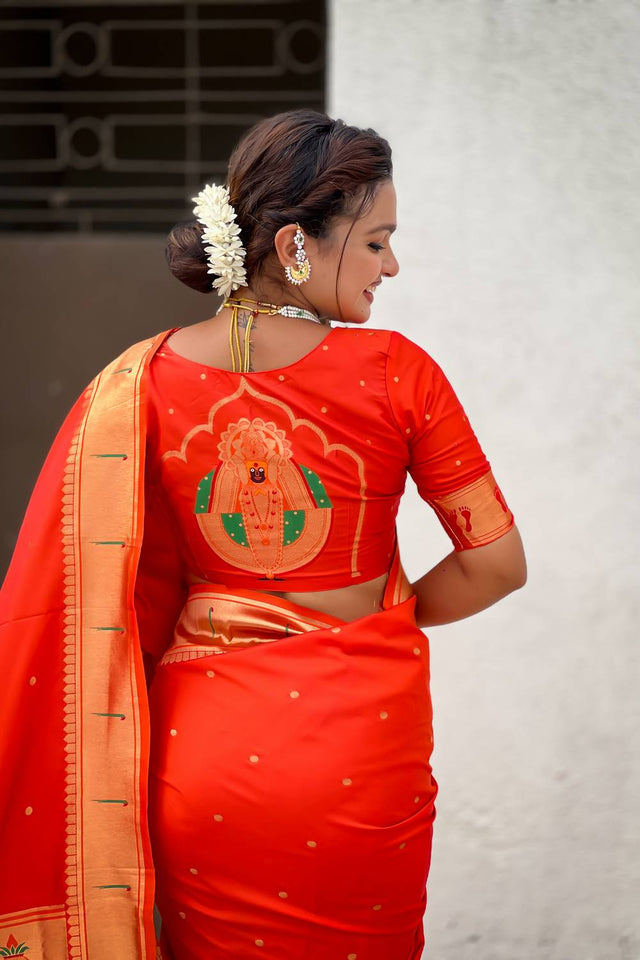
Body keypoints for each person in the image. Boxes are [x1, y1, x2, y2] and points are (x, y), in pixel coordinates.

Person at [0, 110, 526, 959]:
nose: (392, 265)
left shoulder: (139, 382)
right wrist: (377, 619)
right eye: (377, 242)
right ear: (294, 245)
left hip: (202, 756)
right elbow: (496, 564)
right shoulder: (399, 374)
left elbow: (100, 582)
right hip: (360, 752)